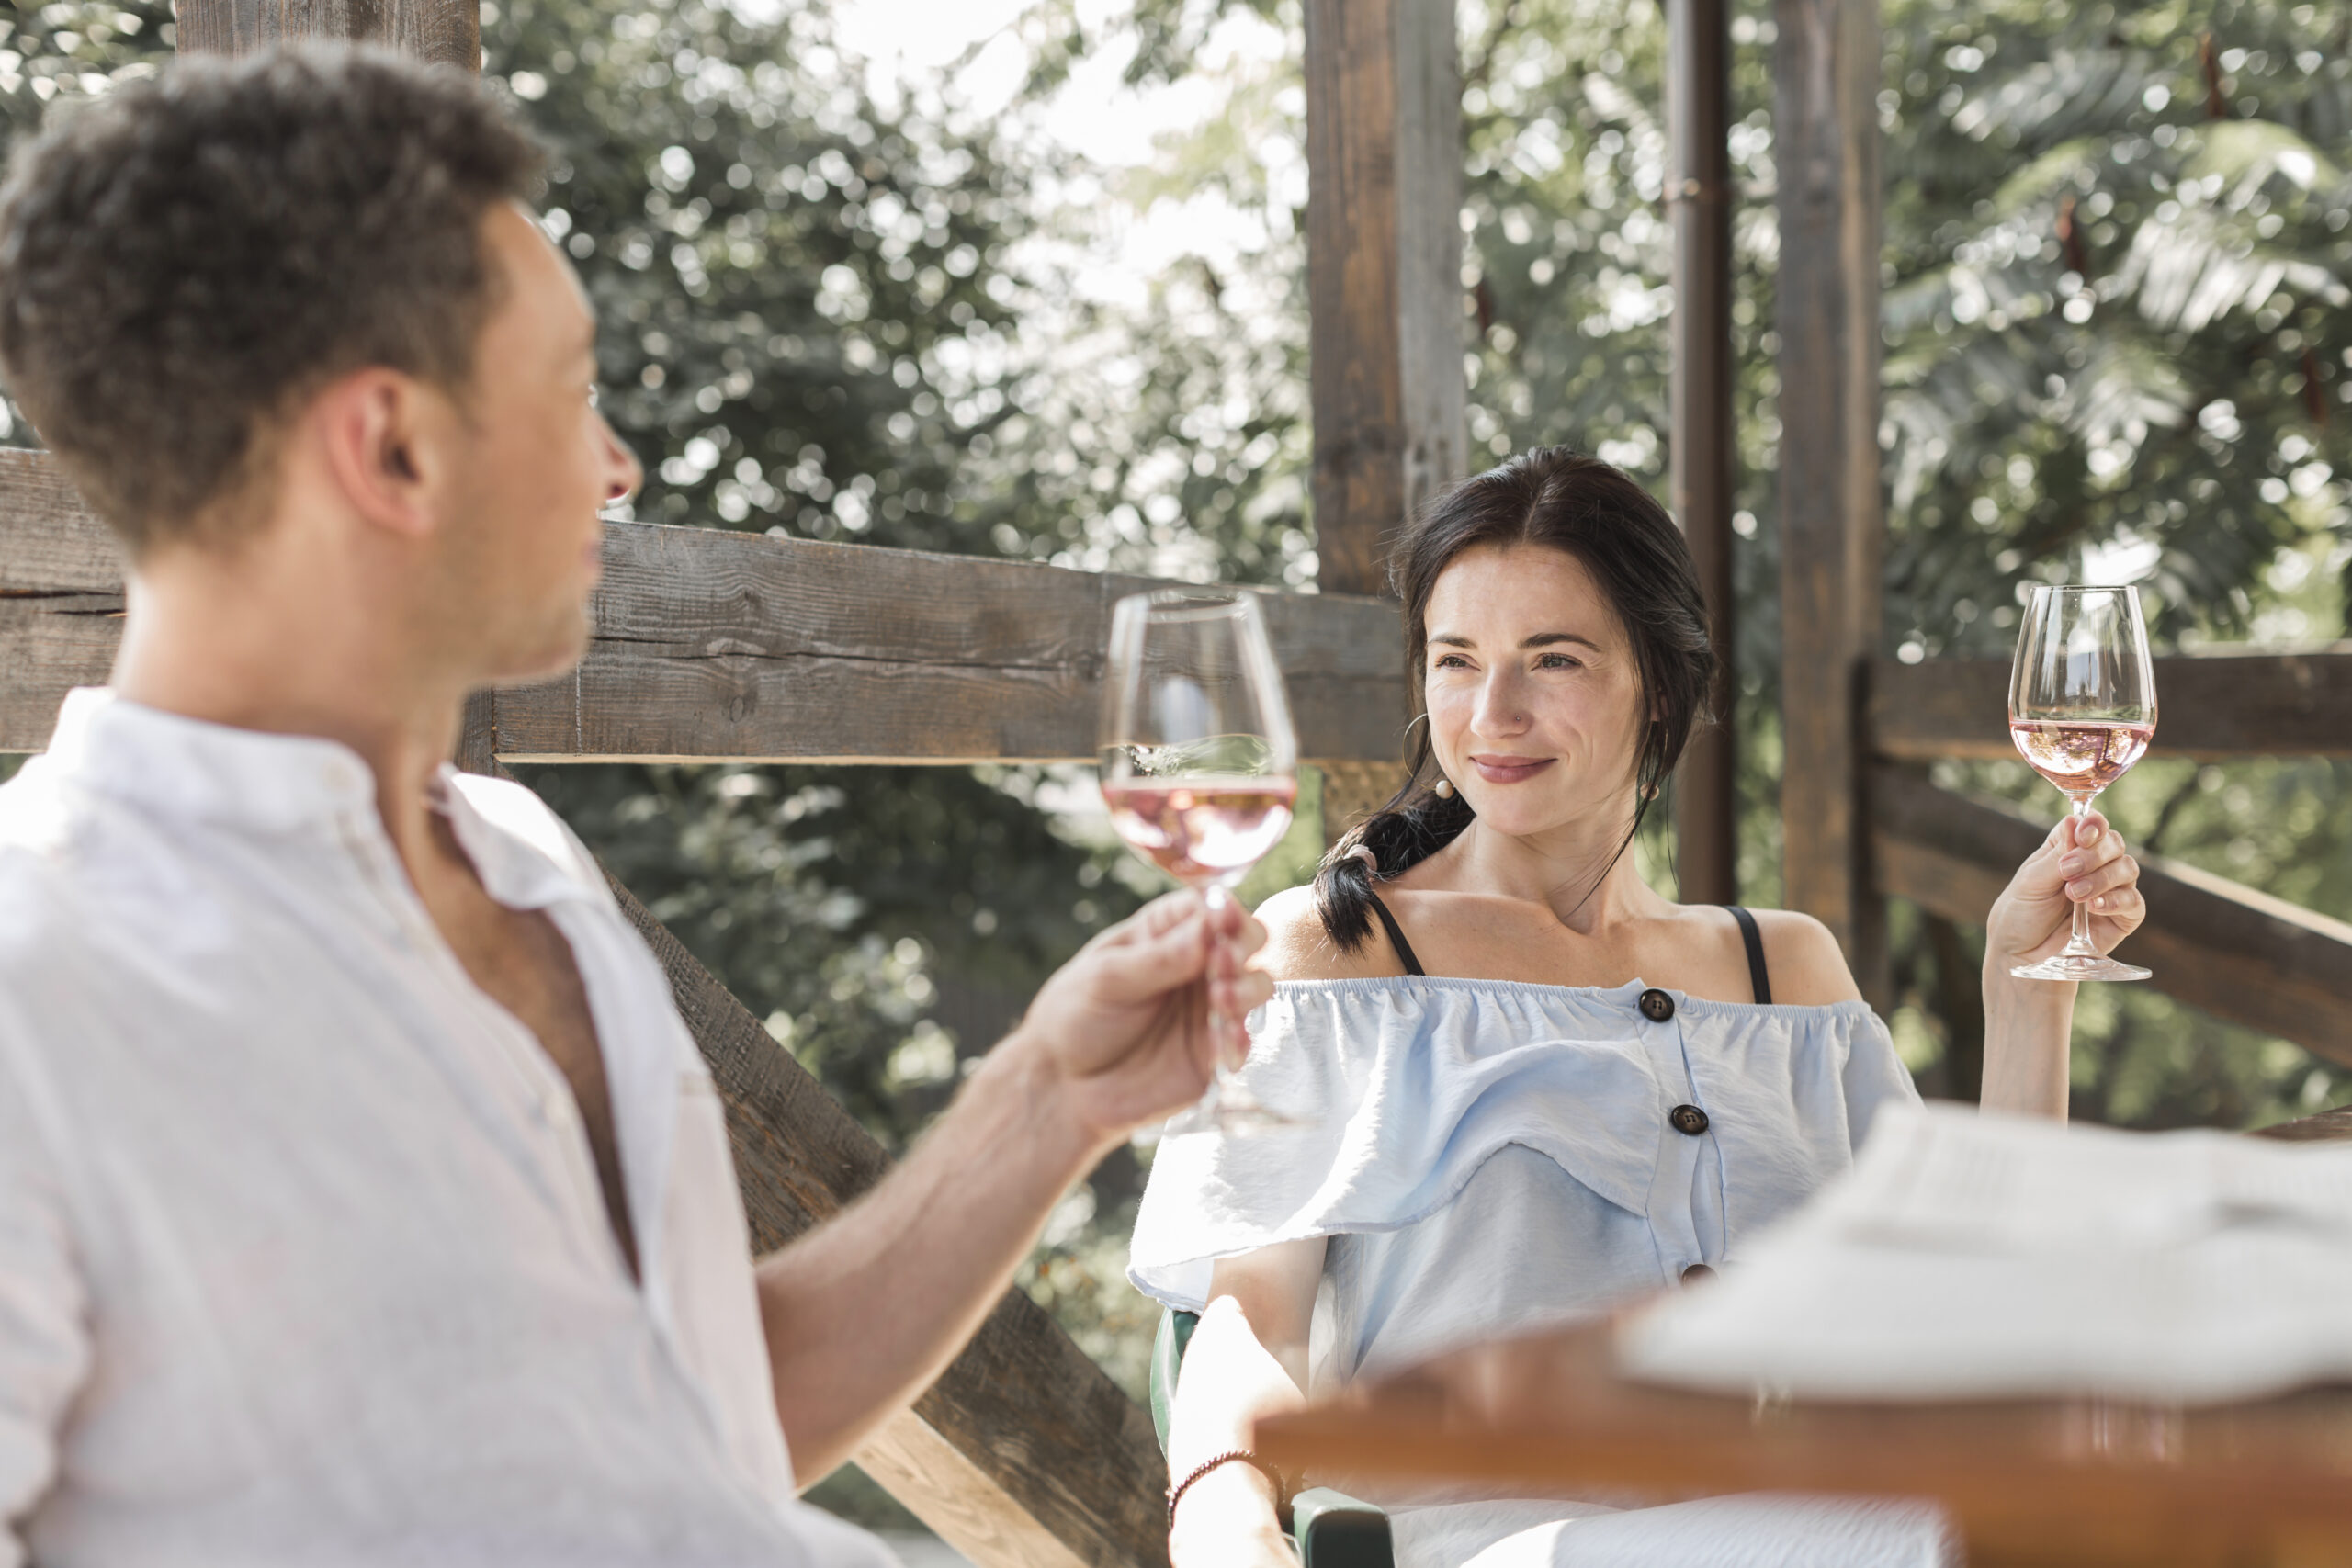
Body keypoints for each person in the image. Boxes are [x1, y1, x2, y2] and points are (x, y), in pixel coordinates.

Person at [0, 47, 1270, 1567]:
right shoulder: (41, 986)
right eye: (570, 390)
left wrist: (1047, 1100)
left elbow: (693, 1430)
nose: (620, 468)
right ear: (394, 446)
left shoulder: (527, 863)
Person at [1131, 448, 2144, 1568]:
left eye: (1550, 660)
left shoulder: (1783, 973)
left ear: (1658, 684)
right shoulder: (1336, 958)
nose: (1492, 712)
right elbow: (1250, 1324)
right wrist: (1222, 1523)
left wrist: (2022, 989)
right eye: (1456, 660)